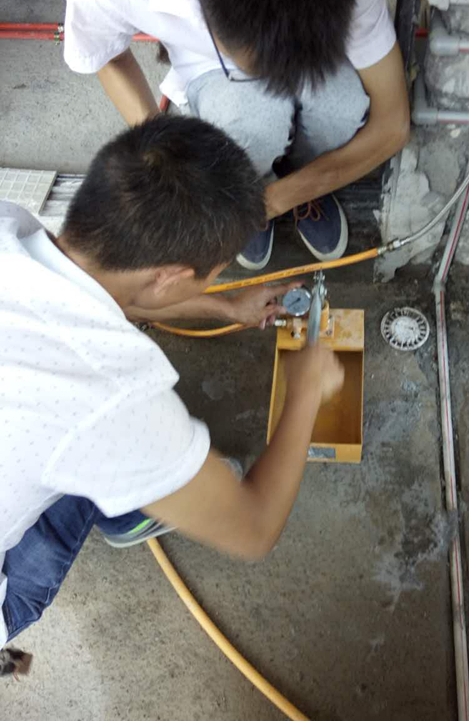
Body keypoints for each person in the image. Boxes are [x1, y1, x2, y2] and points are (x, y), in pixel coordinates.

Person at [0, 115, 344, 675]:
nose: (215, 280)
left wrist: (225, 306)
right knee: (132, 451)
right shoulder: (113, 395)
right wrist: (304, 390)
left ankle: (130, 502)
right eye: (213, 275)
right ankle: (136, 505)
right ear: (169, 276)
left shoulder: (10, 224)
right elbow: (255, 528)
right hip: (7, 586)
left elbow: (113, 286)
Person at [60, 0, 410, 270]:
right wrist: (167, 157)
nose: (283, 83)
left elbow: (393, 124)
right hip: (206, 61)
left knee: (343, 108)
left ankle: (300, 179)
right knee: (249, 126)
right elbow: (107, 56)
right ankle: (246, 184)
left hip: (308, 34)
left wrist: (277, 200)